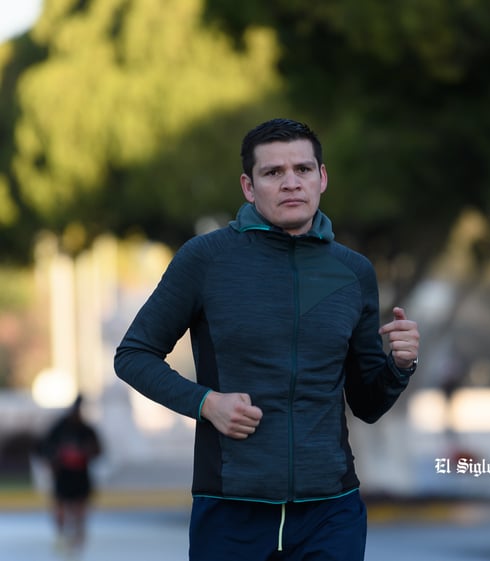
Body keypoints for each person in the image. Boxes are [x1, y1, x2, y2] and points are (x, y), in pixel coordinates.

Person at [114, 118, 420, 561]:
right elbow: (133, 355)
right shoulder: (206, 259)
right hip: (231, 509)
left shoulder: (352, 272)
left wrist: (400, 366)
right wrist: (206, 403)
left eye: (303, 169)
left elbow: (367, 403)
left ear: (323, 178)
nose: (291, 182)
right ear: (248, 186)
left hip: (331, 511)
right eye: (273, 173)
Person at [37, 395, 102, 555]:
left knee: (80, 509)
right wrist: (56, 459)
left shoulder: (86, 430)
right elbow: (43, 448)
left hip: (80, 476)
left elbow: (98, 450)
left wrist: (85, 452)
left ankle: (78, 542)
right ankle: (61, 537)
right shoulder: (59, 429)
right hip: (63, 476)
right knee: (61, 507)